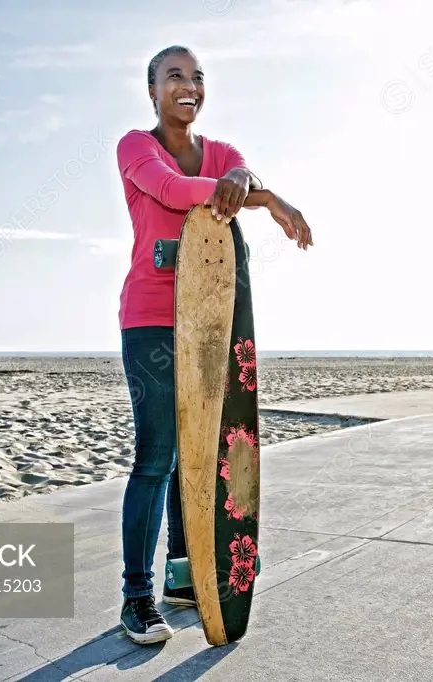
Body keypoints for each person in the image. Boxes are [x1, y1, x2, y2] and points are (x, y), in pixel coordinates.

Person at [114, 45, 313, 644]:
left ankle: (183, 574)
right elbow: (174, 192)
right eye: (174, 75)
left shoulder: (222, 153)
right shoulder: (135, 146)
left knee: (199, 454)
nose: (189, 85)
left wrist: (247, 180)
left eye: (197, 76)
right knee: (156, 455)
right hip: (151, 318)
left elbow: (242, 169)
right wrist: (263, 196)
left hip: (211, 317)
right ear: (152, 90)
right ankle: (135, 597)